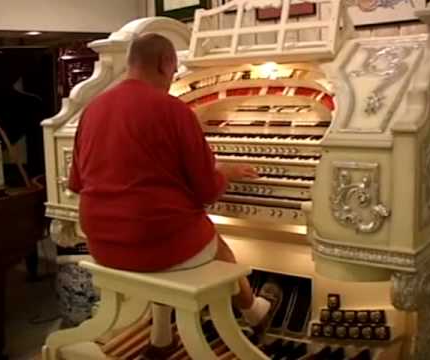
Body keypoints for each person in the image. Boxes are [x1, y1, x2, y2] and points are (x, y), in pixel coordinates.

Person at [68, 33, 282, 359]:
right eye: (174, 70)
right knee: (201, 231)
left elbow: (77, 182)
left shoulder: (92, 109)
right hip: (156, 244)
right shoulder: (173, 109)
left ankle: (162, 336)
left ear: (130, 63)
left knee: (163, 221)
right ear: (166, 63)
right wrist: (226, 171)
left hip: (101, 243)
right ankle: (254, 310)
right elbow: (207, 191)